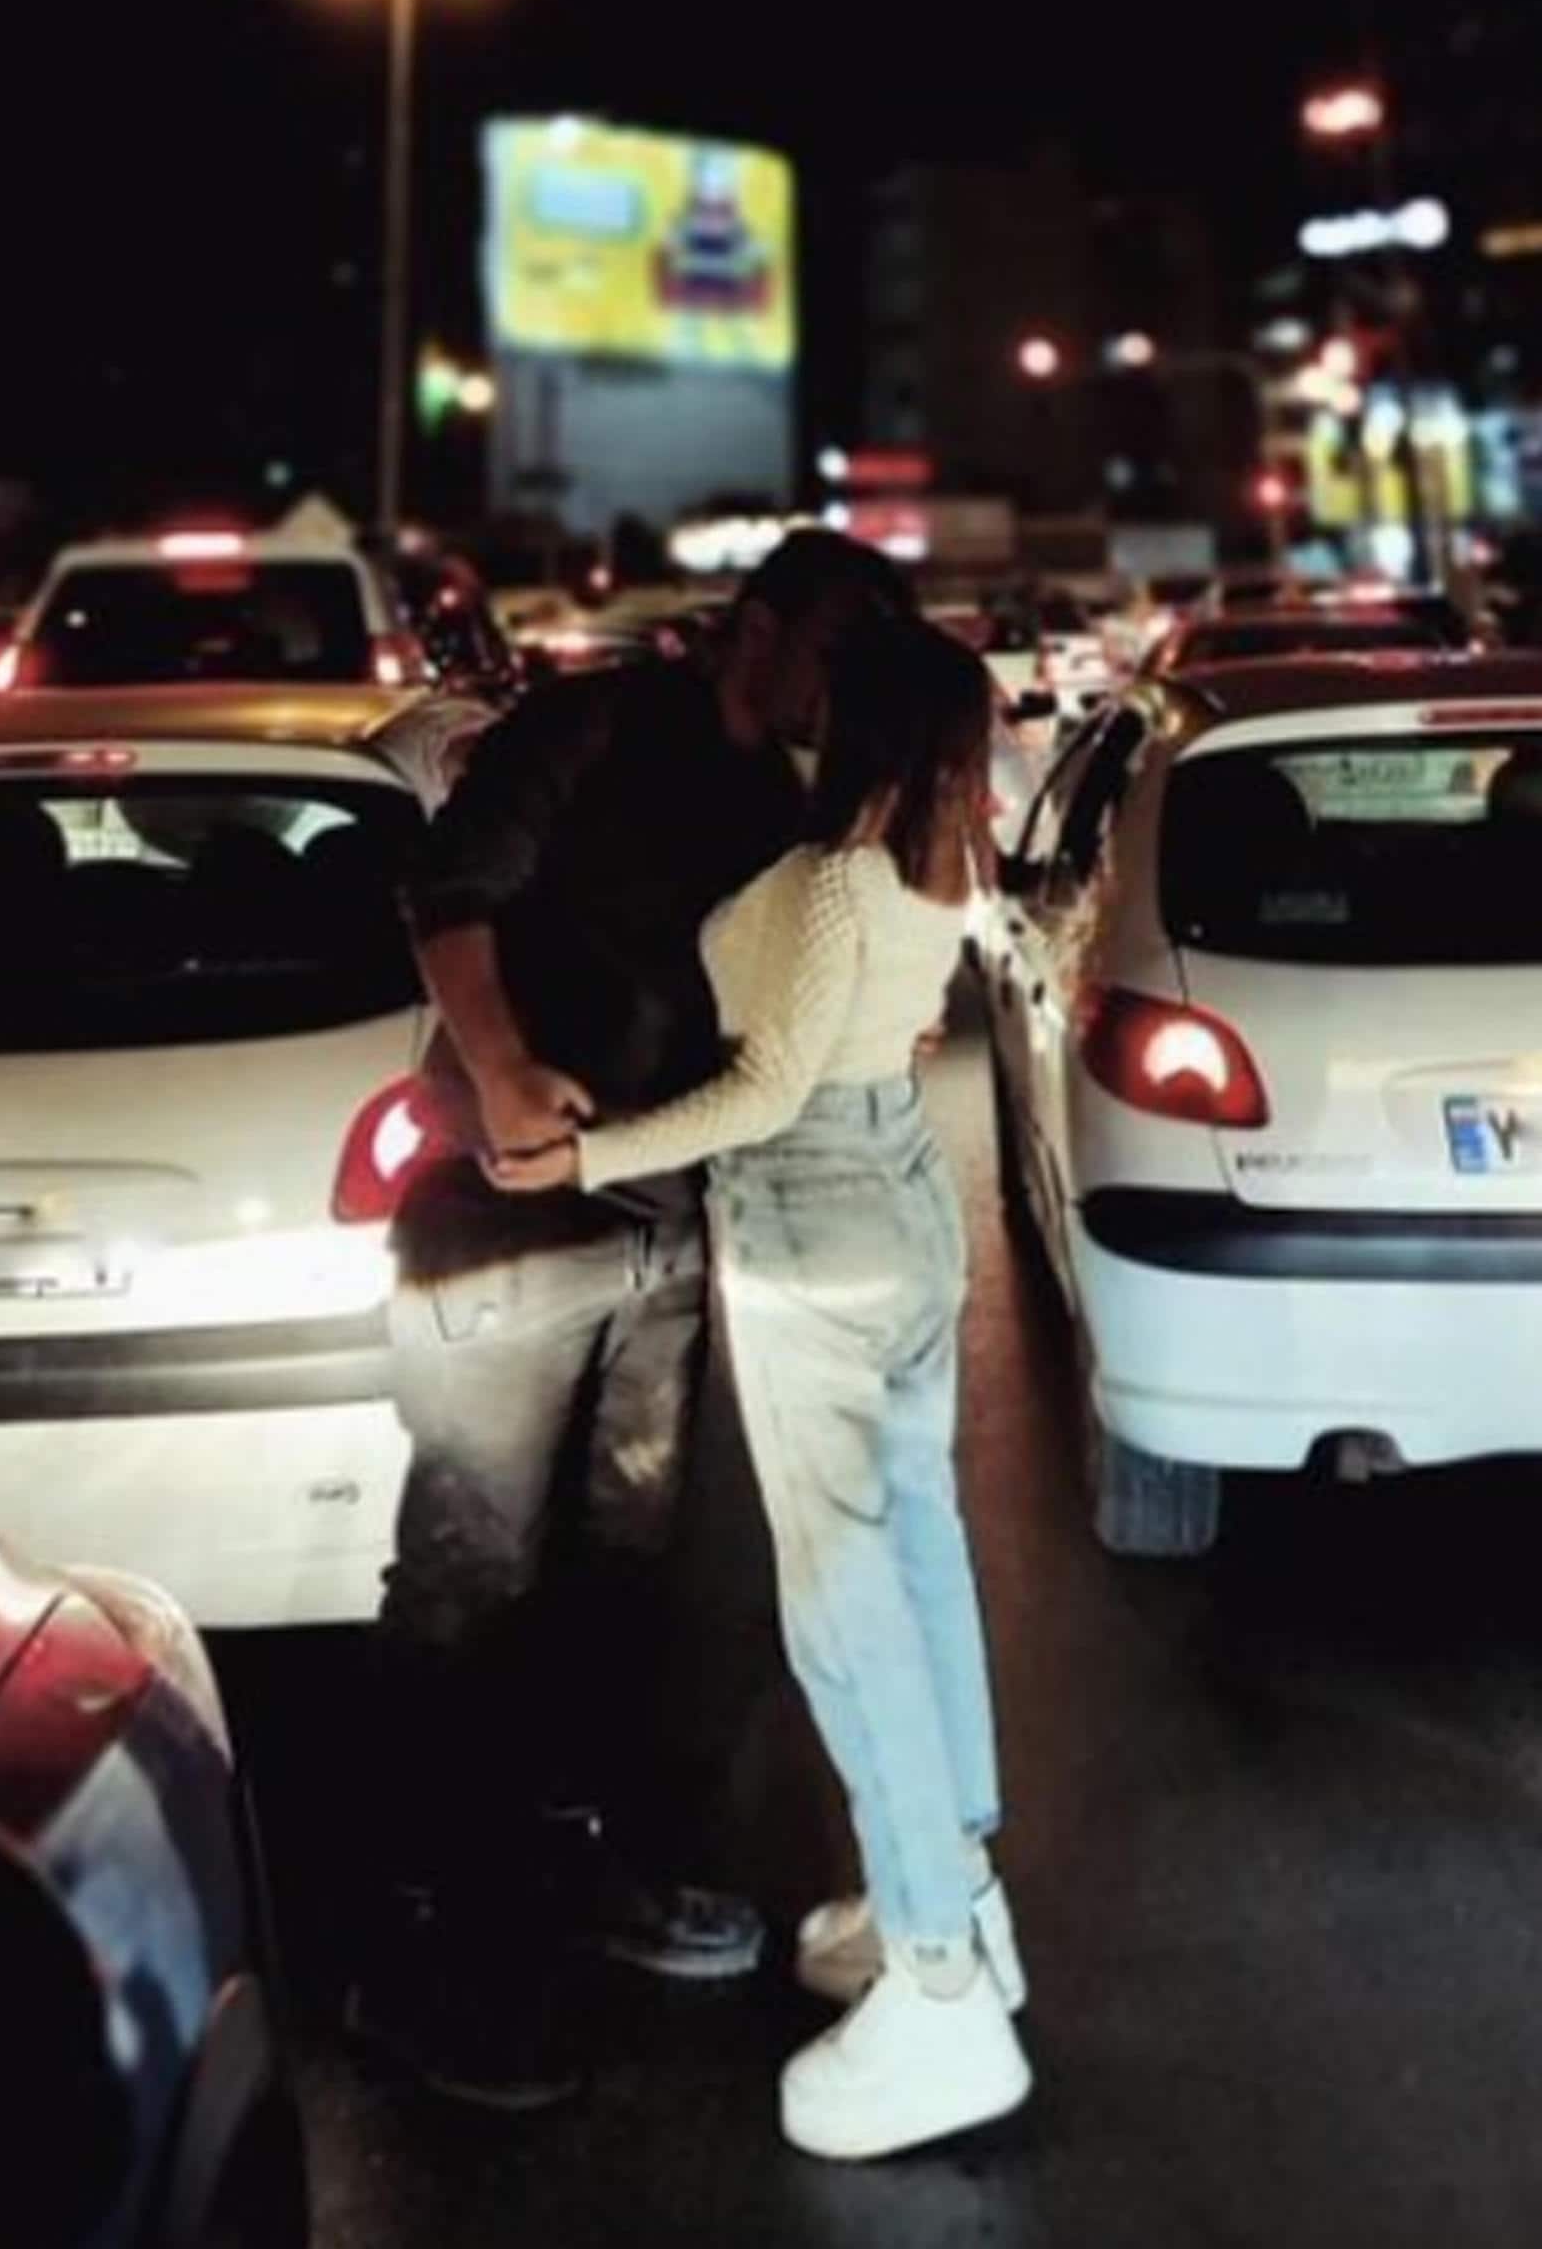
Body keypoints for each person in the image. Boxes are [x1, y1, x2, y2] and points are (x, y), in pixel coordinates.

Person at [358, 529, 916, 2108]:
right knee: (472, 1571)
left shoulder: (790, 801)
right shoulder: (588, 725)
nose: (826, 683)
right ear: (751, 626)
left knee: (623, 1560)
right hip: (509, 1221)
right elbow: (447, 887)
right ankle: (411, 1950)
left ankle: (578, 1878)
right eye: (820, 647)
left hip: (670, 1224)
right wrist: (505, 1061)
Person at [494, 616, 1030, 2161]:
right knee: (916, 1565)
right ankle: (952, 1899)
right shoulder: (942, 869)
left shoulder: (824, 884)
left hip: (815, 1218)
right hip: (908, 1206)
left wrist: (582, 1152)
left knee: (843, 1606)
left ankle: (936, 1984)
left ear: (847, 720)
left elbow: (764, 1089)